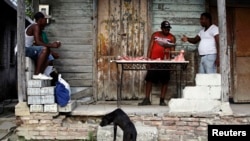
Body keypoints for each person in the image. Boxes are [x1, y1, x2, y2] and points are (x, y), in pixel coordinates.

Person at [138, 21, 176, 106]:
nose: (167, 30)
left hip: (165, 62)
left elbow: (173, 51)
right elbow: (150, 48)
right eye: (165, 29)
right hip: (154, 61)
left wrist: (171, 56)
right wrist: (148, 59)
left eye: (168, 29)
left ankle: (162, 100)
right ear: (161, 28)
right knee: (149, 79)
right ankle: (147, 99)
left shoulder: (172, 37)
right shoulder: (155, 35)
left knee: (165, 81)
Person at [25, 11, 61, 80]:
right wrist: (52, 45)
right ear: (41, 19)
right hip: (23, 49)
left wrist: (52, 48)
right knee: (44, 49)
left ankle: (42, 74)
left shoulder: (38, 28)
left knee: (49, 55)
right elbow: (38, 43)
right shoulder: (35, 26)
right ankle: (37, 74)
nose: (46, 21)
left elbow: (41, 43)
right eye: (45, 19)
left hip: (29, 49)